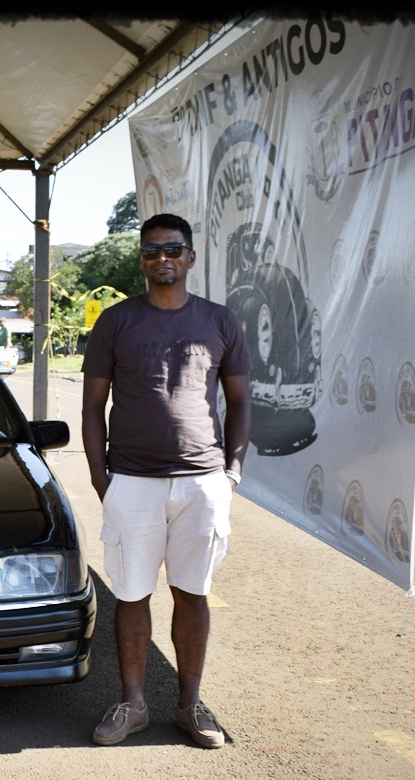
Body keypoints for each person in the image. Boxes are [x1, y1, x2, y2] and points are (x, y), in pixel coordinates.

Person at [80, 212, 251, 749]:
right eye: (152, 251)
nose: (162, 258)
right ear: (142, 261)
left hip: (203, 481)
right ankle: (132, 705)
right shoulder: (116, 321)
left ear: (190, 257)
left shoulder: (221, 321)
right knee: (131, 596)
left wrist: (232, 472)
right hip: (132, 480)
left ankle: (189, 704)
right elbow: (92, 407)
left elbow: (241, 401)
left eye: (172, 249)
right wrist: (101, 478)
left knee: (192, 594)